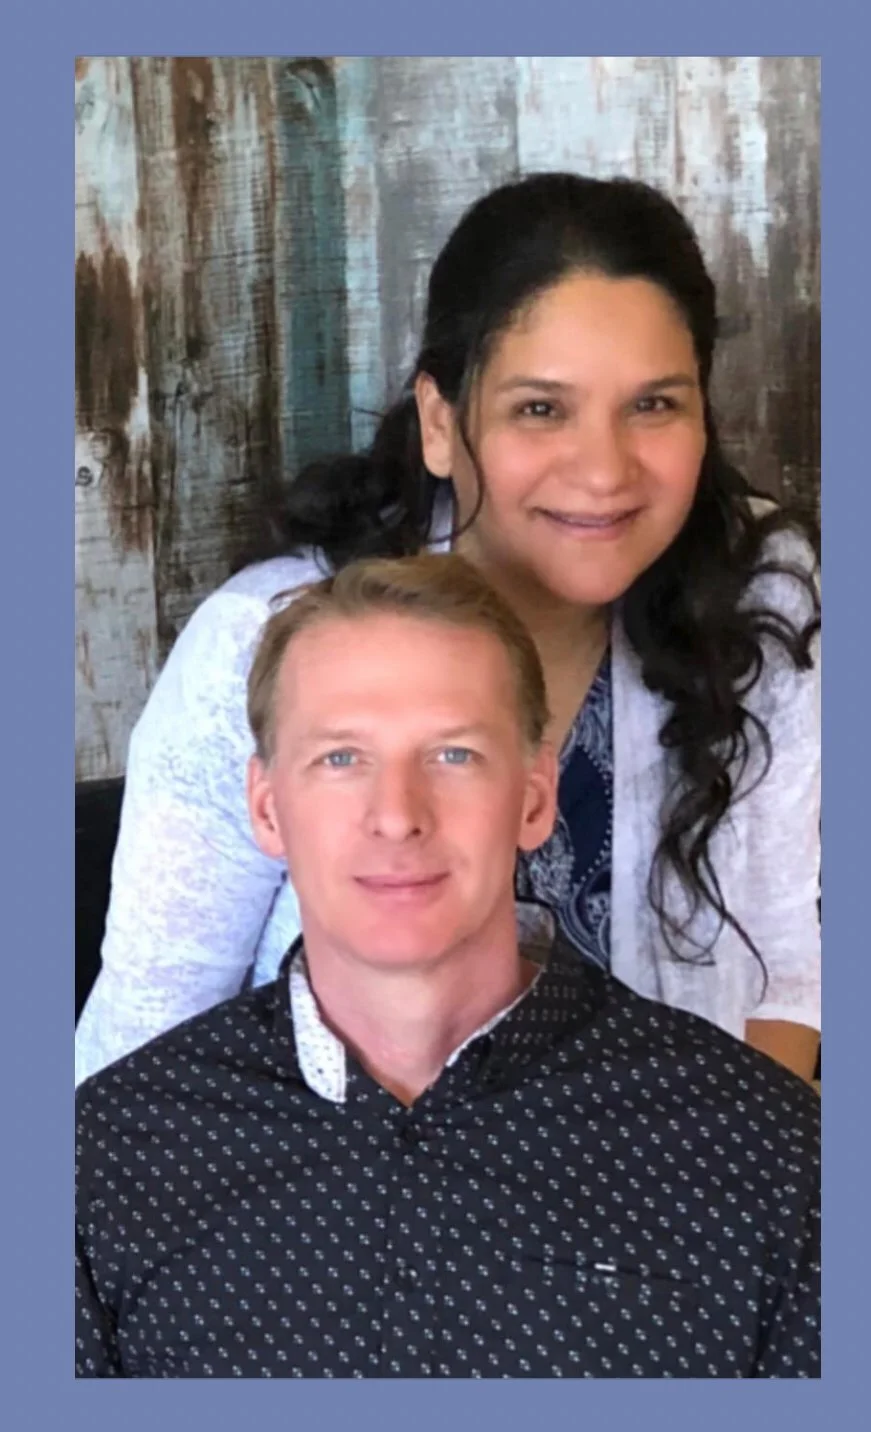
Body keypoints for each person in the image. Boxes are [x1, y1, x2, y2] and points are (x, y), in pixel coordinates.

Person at [75, 172, 821, 1086]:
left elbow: (785, 969)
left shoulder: (754, 593)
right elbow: (141, 1051)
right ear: (441, 420)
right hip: (324, 1202)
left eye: (654, 404)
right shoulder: (269, 641)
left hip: (659, 1195)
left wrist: (741, 1190)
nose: (603, 471)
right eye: (540, 409)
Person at [75, 555, 821, 1380]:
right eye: (340, 758)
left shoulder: (768, 1152)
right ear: (266, 808)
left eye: (454, 755)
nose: (397, 815)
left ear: (533, 796)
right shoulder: (103, 1162)